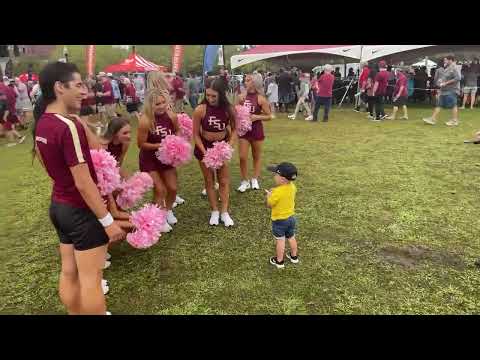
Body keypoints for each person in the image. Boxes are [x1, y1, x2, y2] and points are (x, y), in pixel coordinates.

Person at [33, 61, 125, 315]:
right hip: (80, 211)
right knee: (91, 279)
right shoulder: (67, 125)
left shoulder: (42, 122)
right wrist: (107, 220)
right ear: (59, 88)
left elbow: (48, 165)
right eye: (78, 85)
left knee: (69, 271)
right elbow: (83, 181)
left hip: (59, 208)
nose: (84, 91)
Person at [192, 77, 236, 227]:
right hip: (204, 147)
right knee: (209, 180)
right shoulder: (200, 109)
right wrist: (205, 153)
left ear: (221, 95)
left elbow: (235, 129)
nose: (210, 98)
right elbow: (196, 135)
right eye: (207, 95)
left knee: (223, 181)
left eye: (213, 96)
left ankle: (224, 212)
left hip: (221, 147)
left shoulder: (228, 109)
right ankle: (215, 211)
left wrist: (228, 146)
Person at [137, 88, 181, 232]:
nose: (161, 106)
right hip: (149, 160)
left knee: (173, 188)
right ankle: (158, 218)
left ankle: (167, 210)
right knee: (160, 190)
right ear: (150, 105)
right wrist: (161, 145)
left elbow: (177, 130)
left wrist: (175, 142)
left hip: (166, 159)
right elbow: (141, 144)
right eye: (157, 104)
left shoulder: (171, 116)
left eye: (163, 102)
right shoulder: (145, 120)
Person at [146, 70, 186, 207]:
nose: (168, 79)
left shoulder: (165, 95)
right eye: (165, 77)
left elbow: (172, 117)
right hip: (155, 146)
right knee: (160, 183)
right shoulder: (152, 97)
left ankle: (171, 196)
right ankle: (163, 201)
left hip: (168, 140)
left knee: (171, 176)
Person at [236, 73, 272, 193]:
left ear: (254, 82)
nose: (245, 82)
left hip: (256, 130)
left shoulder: (261, 98)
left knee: (256, 156)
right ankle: (244, 180)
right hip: (243, 131)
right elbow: (237, 112)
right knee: (242, 157)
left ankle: (255, 178)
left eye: (248, 80)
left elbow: (269, 116)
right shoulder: (241, 97)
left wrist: (256, 117)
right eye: (245, 80)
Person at [265, 162, 299, 269]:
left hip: (280, 221)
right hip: (291, 218)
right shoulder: (292, 187)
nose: (274, 176)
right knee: (291, 236)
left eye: (276, 174)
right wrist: (274, 192)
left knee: (280, 240)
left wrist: (269, 196)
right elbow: (284, 194)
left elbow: (270, 204)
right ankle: (294, 256)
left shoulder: (277, 192)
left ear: (283, 179)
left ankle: (279, 261)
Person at [423, 55, 461, 126]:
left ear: (450, 60)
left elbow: (458, 78)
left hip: (452, 90)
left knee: (453, 105)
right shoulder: (447, 68)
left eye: (445, 60)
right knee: (439, 105)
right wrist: (440, 81)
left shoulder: (455, 67)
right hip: (444, 90)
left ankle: (454, 121)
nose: (444, 61)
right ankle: (432, 119)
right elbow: (444, 77)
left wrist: (446, 83)